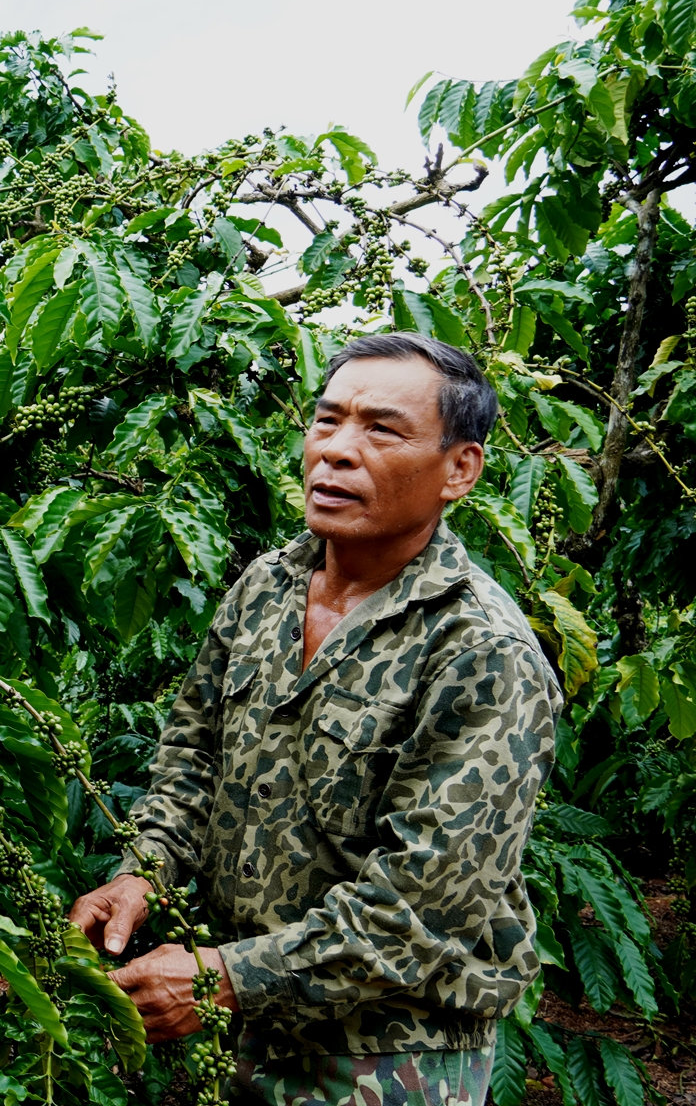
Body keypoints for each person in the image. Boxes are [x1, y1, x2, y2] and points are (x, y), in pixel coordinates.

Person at [70, 334, 561, 1106]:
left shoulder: (482, 652)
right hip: (234, 1025)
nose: (336, 451)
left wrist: (222, 977)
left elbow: (419, 909)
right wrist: (145, 869)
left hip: (384, 1056)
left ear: (458, 470)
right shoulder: (267, 584)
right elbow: (194, 754)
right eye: (327, 421)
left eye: (382, 430)